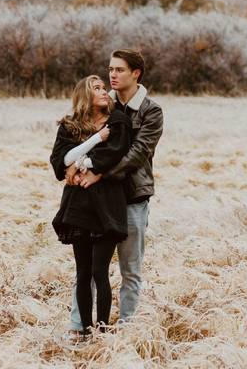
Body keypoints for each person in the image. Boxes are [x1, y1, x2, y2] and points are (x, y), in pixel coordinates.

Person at [69, 49, 164, 333]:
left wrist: (99, 172)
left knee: (130, 268)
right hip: (97, 199)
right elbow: (79, 137)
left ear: (136, 73)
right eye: (110, 69)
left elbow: (138, 152)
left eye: (120, 70)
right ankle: (78, 325)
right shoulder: (101, 104)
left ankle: (127, 328)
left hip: (133, 197)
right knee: (86, 268)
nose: (112, 74)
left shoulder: (151, 110)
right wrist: (73, 168)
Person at [50, 75, 133, 340]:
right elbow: (59, 160)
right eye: (96, 88)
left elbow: (113, 154)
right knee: (83, 271)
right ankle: (84, 331)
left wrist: (81, 164)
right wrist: (76, 160)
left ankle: (103, 330)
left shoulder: (118, 121)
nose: (104, 91)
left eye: (103, 88)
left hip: (107, 204)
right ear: (85, 94)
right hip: (78, 206)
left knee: (100, 271)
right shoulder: (70, 125)